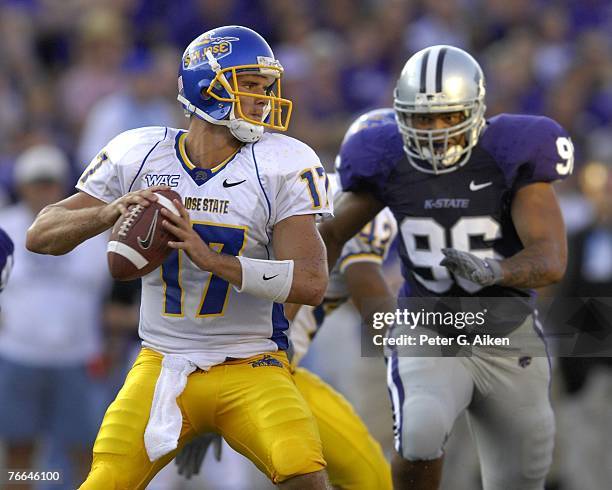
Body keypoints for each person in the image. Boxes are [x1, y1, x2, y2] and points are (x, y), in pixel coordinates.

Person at [27, 26, 333, 489]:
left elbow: (311, 282)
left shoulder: (284, 163)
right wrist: (108, 212)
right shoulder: (139, 152)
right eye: (248, 84)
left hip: (251, 363)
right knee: (104, 479)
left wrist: (214, 262)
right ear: (205, 85)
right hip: (161, 360)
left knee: (303, 472)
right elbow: (40, 233)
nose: (263, 98)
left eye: (265, 86)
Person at [319, 46, 573, 490]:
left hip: (507, 334)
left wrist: (498, 272)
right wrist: (287, 277)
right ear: (399, 114)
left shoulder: (511, 153)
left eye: (446, 116)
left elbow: (551, 260)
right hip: (429, 328)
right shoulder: (385, 157)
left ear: (475, 110)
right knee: (420, 430)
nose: (434, 131)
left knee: (523, 475)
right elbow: (330, 234)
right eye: (420, 118)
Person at [176, 172, 397, 489]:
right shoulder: (360, 211)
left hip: (228, 361)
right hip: (259, 369)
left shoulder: (297, 196)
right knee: (369, 478)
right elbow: (376, 311)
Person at [0, 145, 109, 489]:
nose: (43, 189)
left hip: (76, 357)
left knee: (86, 451)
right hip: (19, 355)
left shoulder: (90, 227)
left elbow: (109, 288)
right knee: (19, 451)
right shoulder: (5, 226)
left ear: (62, 185)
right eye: (37, 183)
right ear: (23, 185)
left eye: (50, 183)